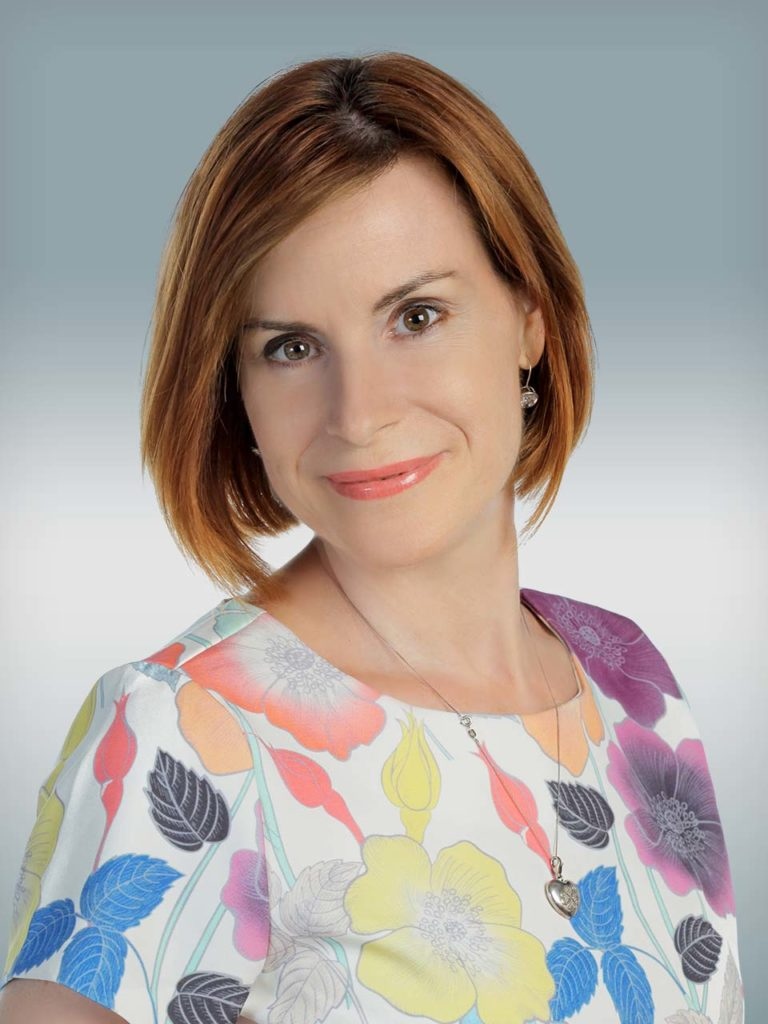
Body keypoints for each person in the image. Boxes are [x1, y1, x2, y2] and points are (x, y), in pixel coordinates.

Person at [0, 51, 744, 1024]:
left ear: (530, 320)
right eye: (291, 347)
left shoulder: (634, 685)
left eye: (416, 316)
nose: (359, 412)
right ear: (234, 393)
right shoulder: (178, 738)